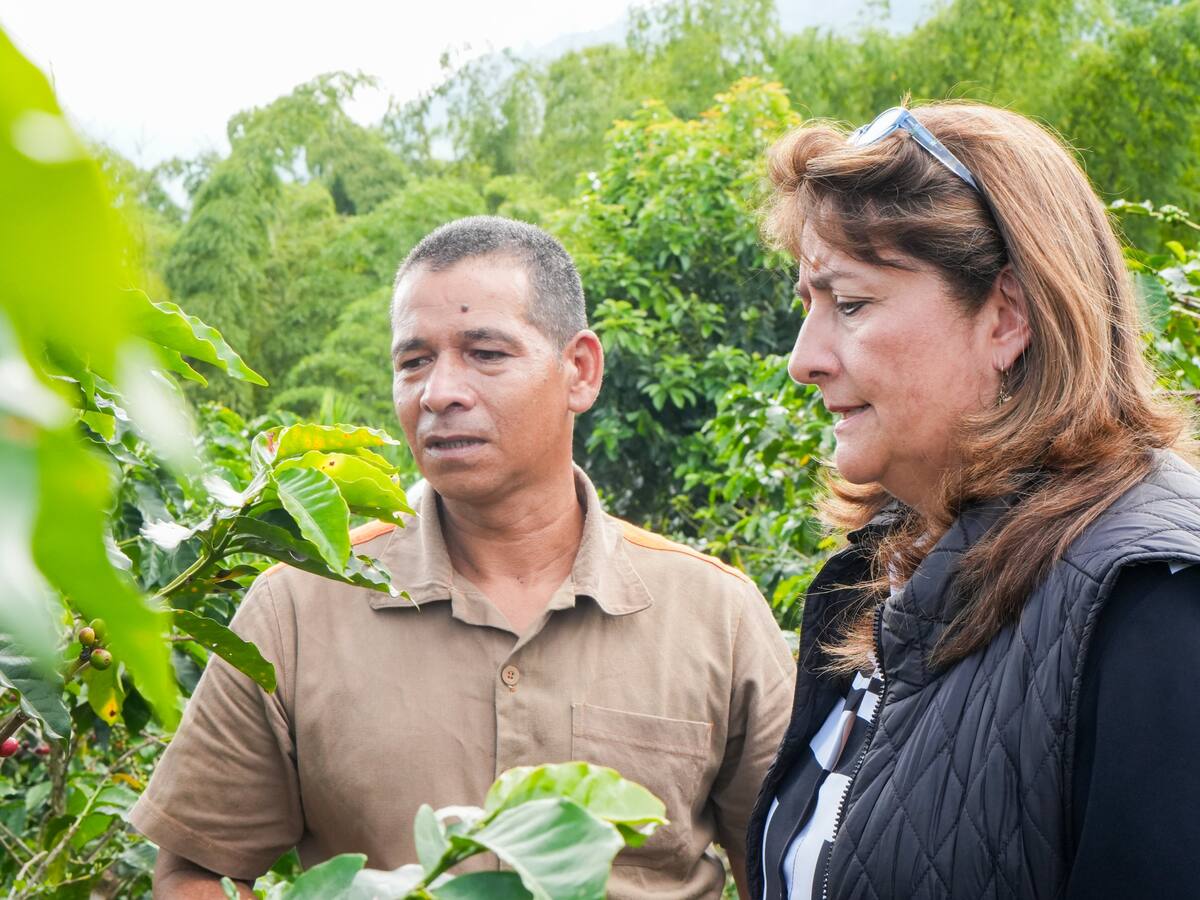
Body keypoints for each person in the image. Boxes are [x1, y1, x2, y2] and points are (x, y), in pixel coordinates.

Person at [131, 216, 795, 899]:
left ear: (580, 371)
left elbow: (784, 867)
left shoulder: (714, 614)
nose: (439, 392)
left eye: (486, 353)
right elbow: (197, 865)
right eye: (413, 361)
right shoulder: (299, 609)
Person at [745, 104, 1200, 900]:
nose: (803, 359)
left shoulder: (1151, 604)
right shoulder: (887, 576)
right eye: (807, 305)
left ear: (1008, 316)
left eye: (849, 304)